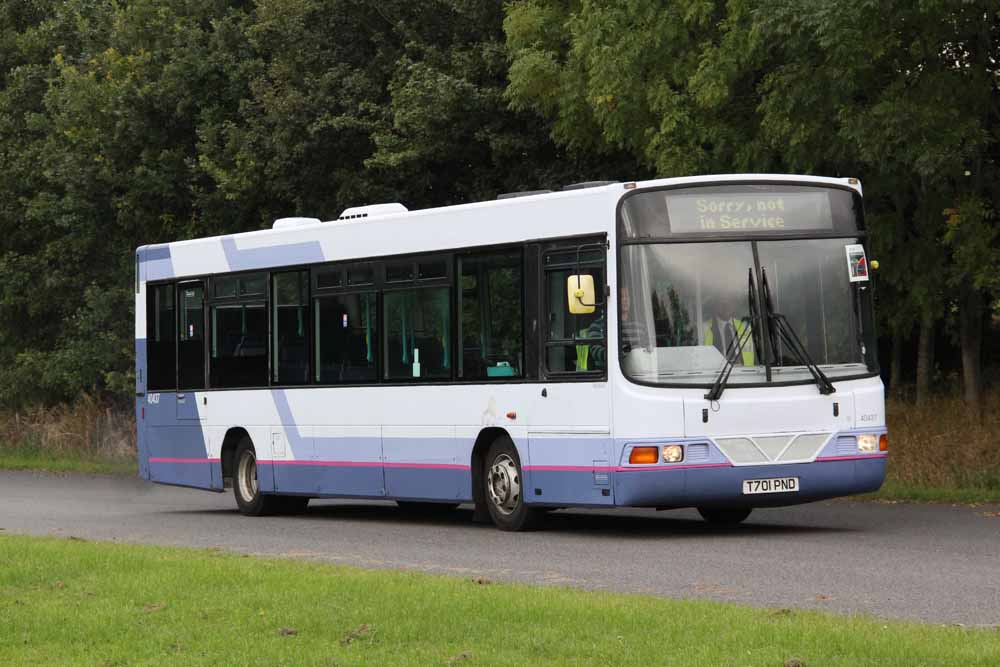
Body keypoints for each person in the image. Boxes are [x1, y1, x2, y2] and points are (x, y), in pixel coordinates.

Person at [703, 293, 755, 366]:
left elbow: (754, 355)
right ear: (715, 305)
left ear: (734, 305)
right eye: (722, 302)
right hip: (717, 375)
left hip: (744, 374)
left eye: (730, 302)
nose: (726, 306)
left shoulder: (745, 327)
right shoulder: (704, 329)